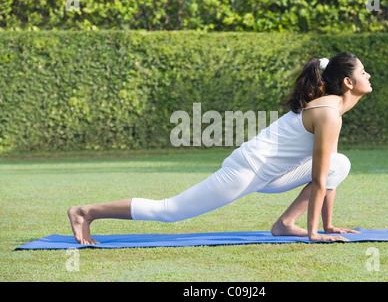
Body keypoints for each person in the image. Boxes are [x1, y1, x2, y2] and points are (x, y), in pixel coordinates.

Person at [68, 52, 372, 245]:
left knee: (339, 163)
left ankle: (284, 224)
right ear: (347, 82)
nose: (368, 76)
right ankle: (86, 212)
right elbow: (318, 180)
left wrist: (328, 225)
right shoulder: (329, 114)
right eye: (363, 72)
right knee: (170, 210)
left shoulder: (331, 110)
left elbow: (327, 171)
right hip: (247, 170)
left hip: (274, 174)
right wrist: (314, 233)